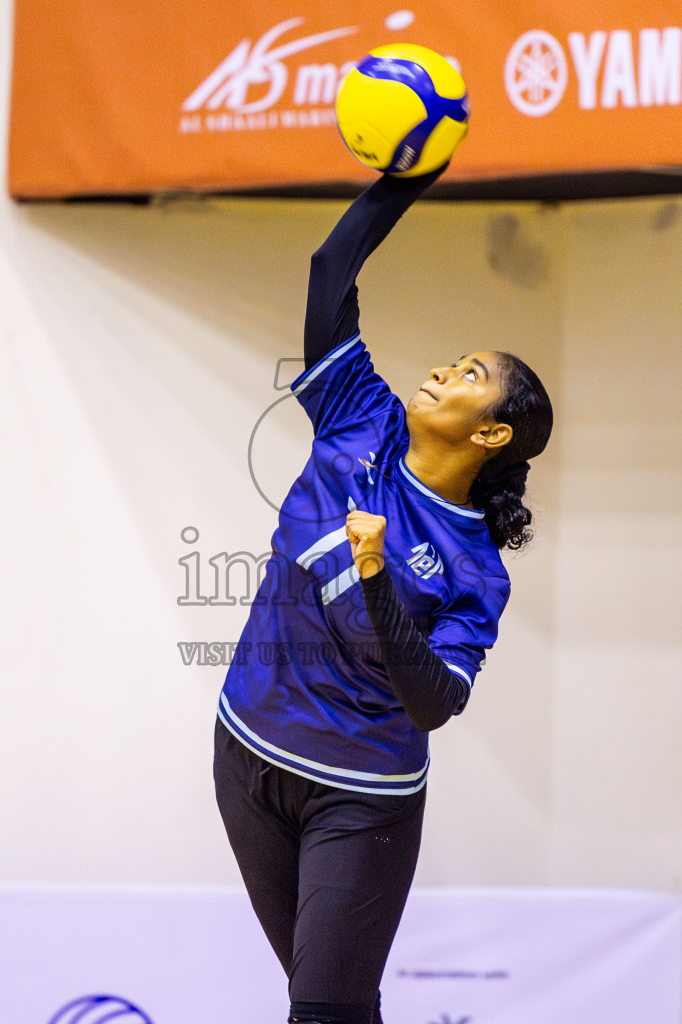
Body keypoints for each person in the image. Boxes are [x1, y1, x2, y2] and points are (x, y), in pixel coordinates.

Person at [213, 164, 553, 1024]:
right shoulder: (362, 414)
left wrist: (376, 581)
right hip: (245, 749)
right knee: (326, 1002)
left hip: (361, 797)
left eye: (470, 373)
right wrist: (406, 176)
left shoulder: (477, 570)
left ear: (492, 431)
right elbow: (332, 272)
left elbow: (435, 701)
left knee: (324, 1008)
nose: (443, 368)